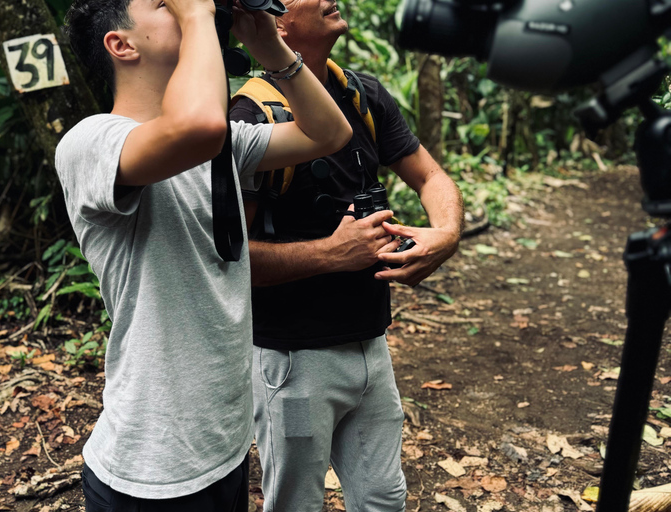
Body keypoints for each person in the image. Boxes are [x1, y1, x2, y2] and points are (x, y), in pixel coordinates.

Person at [55, 1, 353, 510]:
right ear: (121, 45)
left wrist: (269, 47)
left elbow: (330, 134)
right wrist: (197, 16)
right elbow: (197, 127)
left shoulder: (222, 146)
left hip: (224, 448)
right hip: (149, 467)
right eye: (161, 3)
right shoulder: (91, 142)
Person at [229, 1, 465, 511]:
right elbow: (229, 259)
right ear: (277, 24)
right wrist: (332, 254)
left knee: (383, 498)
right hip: (293, 360)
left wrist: (445, 234)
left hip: (370, 345)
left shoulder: (360, 94)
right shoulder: (250, 116)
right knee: (296, 503)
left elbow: (430, 176)